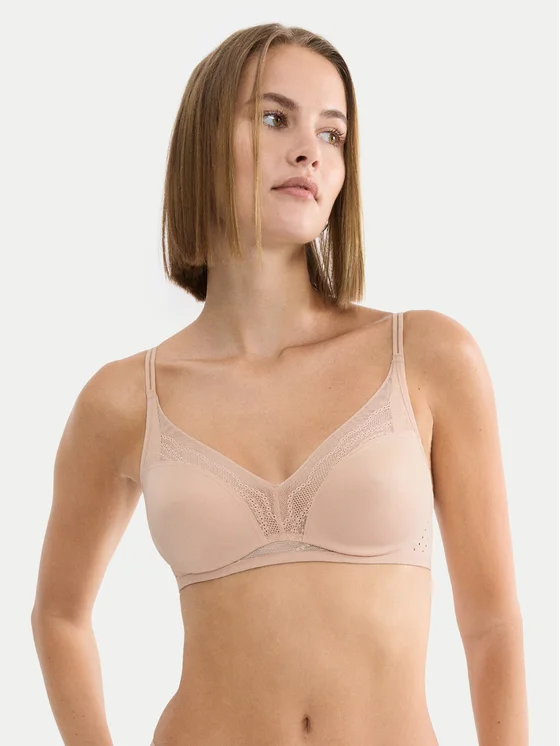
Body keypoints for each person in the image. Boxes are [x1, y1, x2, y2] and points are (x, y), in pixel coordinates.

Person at [31, 22, 529, 746]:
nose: (308, 151)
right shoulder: (124, 400)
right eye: (274, 119)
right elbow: (59, 615)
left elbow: (491, 626)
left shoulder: (427, 357)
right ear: (204, 142)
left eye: (332, 134)